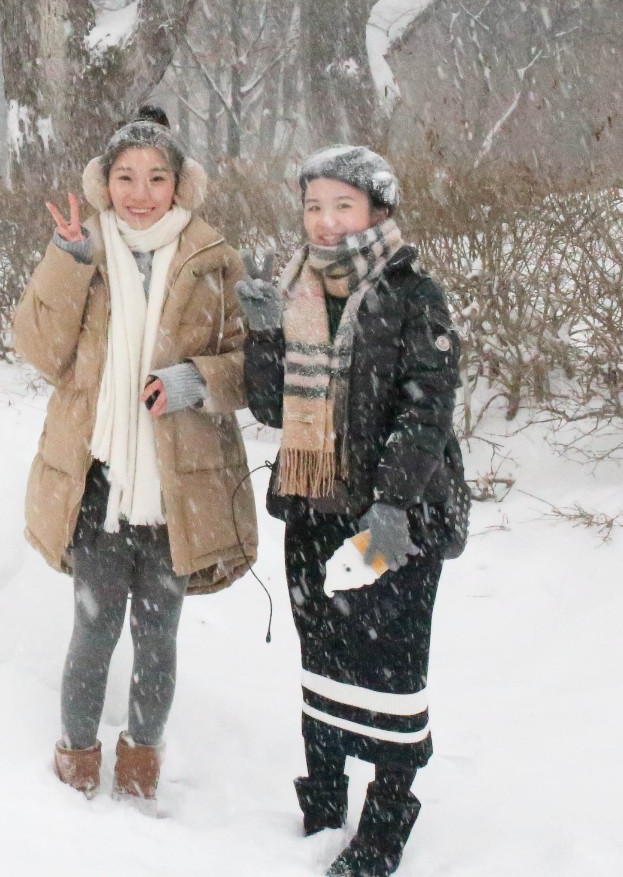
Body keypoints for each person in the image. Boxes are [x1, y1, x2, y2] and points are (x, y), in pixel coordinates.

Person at [11, 105, 258, 804]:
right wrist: (65, 260)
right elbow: (38, 349)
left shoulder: (215, 261)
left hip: (178, 490)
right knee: (93, 631)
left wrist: (196, 381)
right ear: (104, 183)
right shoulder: (84, 251)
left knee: (158, 639)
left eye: (156, 176)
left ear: (181, 185)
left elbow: (248, 367)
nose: (140, 191)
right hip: (99, 485)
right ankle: (77, 763)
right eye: (125, 176)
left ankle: (142, 764)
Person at [238, 145, 465, 877]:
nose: (326, 221)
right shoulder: (296, 285)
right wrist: (266, 331)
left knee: (392, 666)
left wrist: (394, 503)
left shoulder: (413, 294)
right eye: (313, 206)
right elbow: (271, 405)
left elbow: (426, 408)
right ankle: (325, 800)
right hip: (315, 507)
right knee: (324, 657)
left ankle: (384, 823)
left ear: (376, 210)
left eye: (342, 205)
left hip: (392, 516)